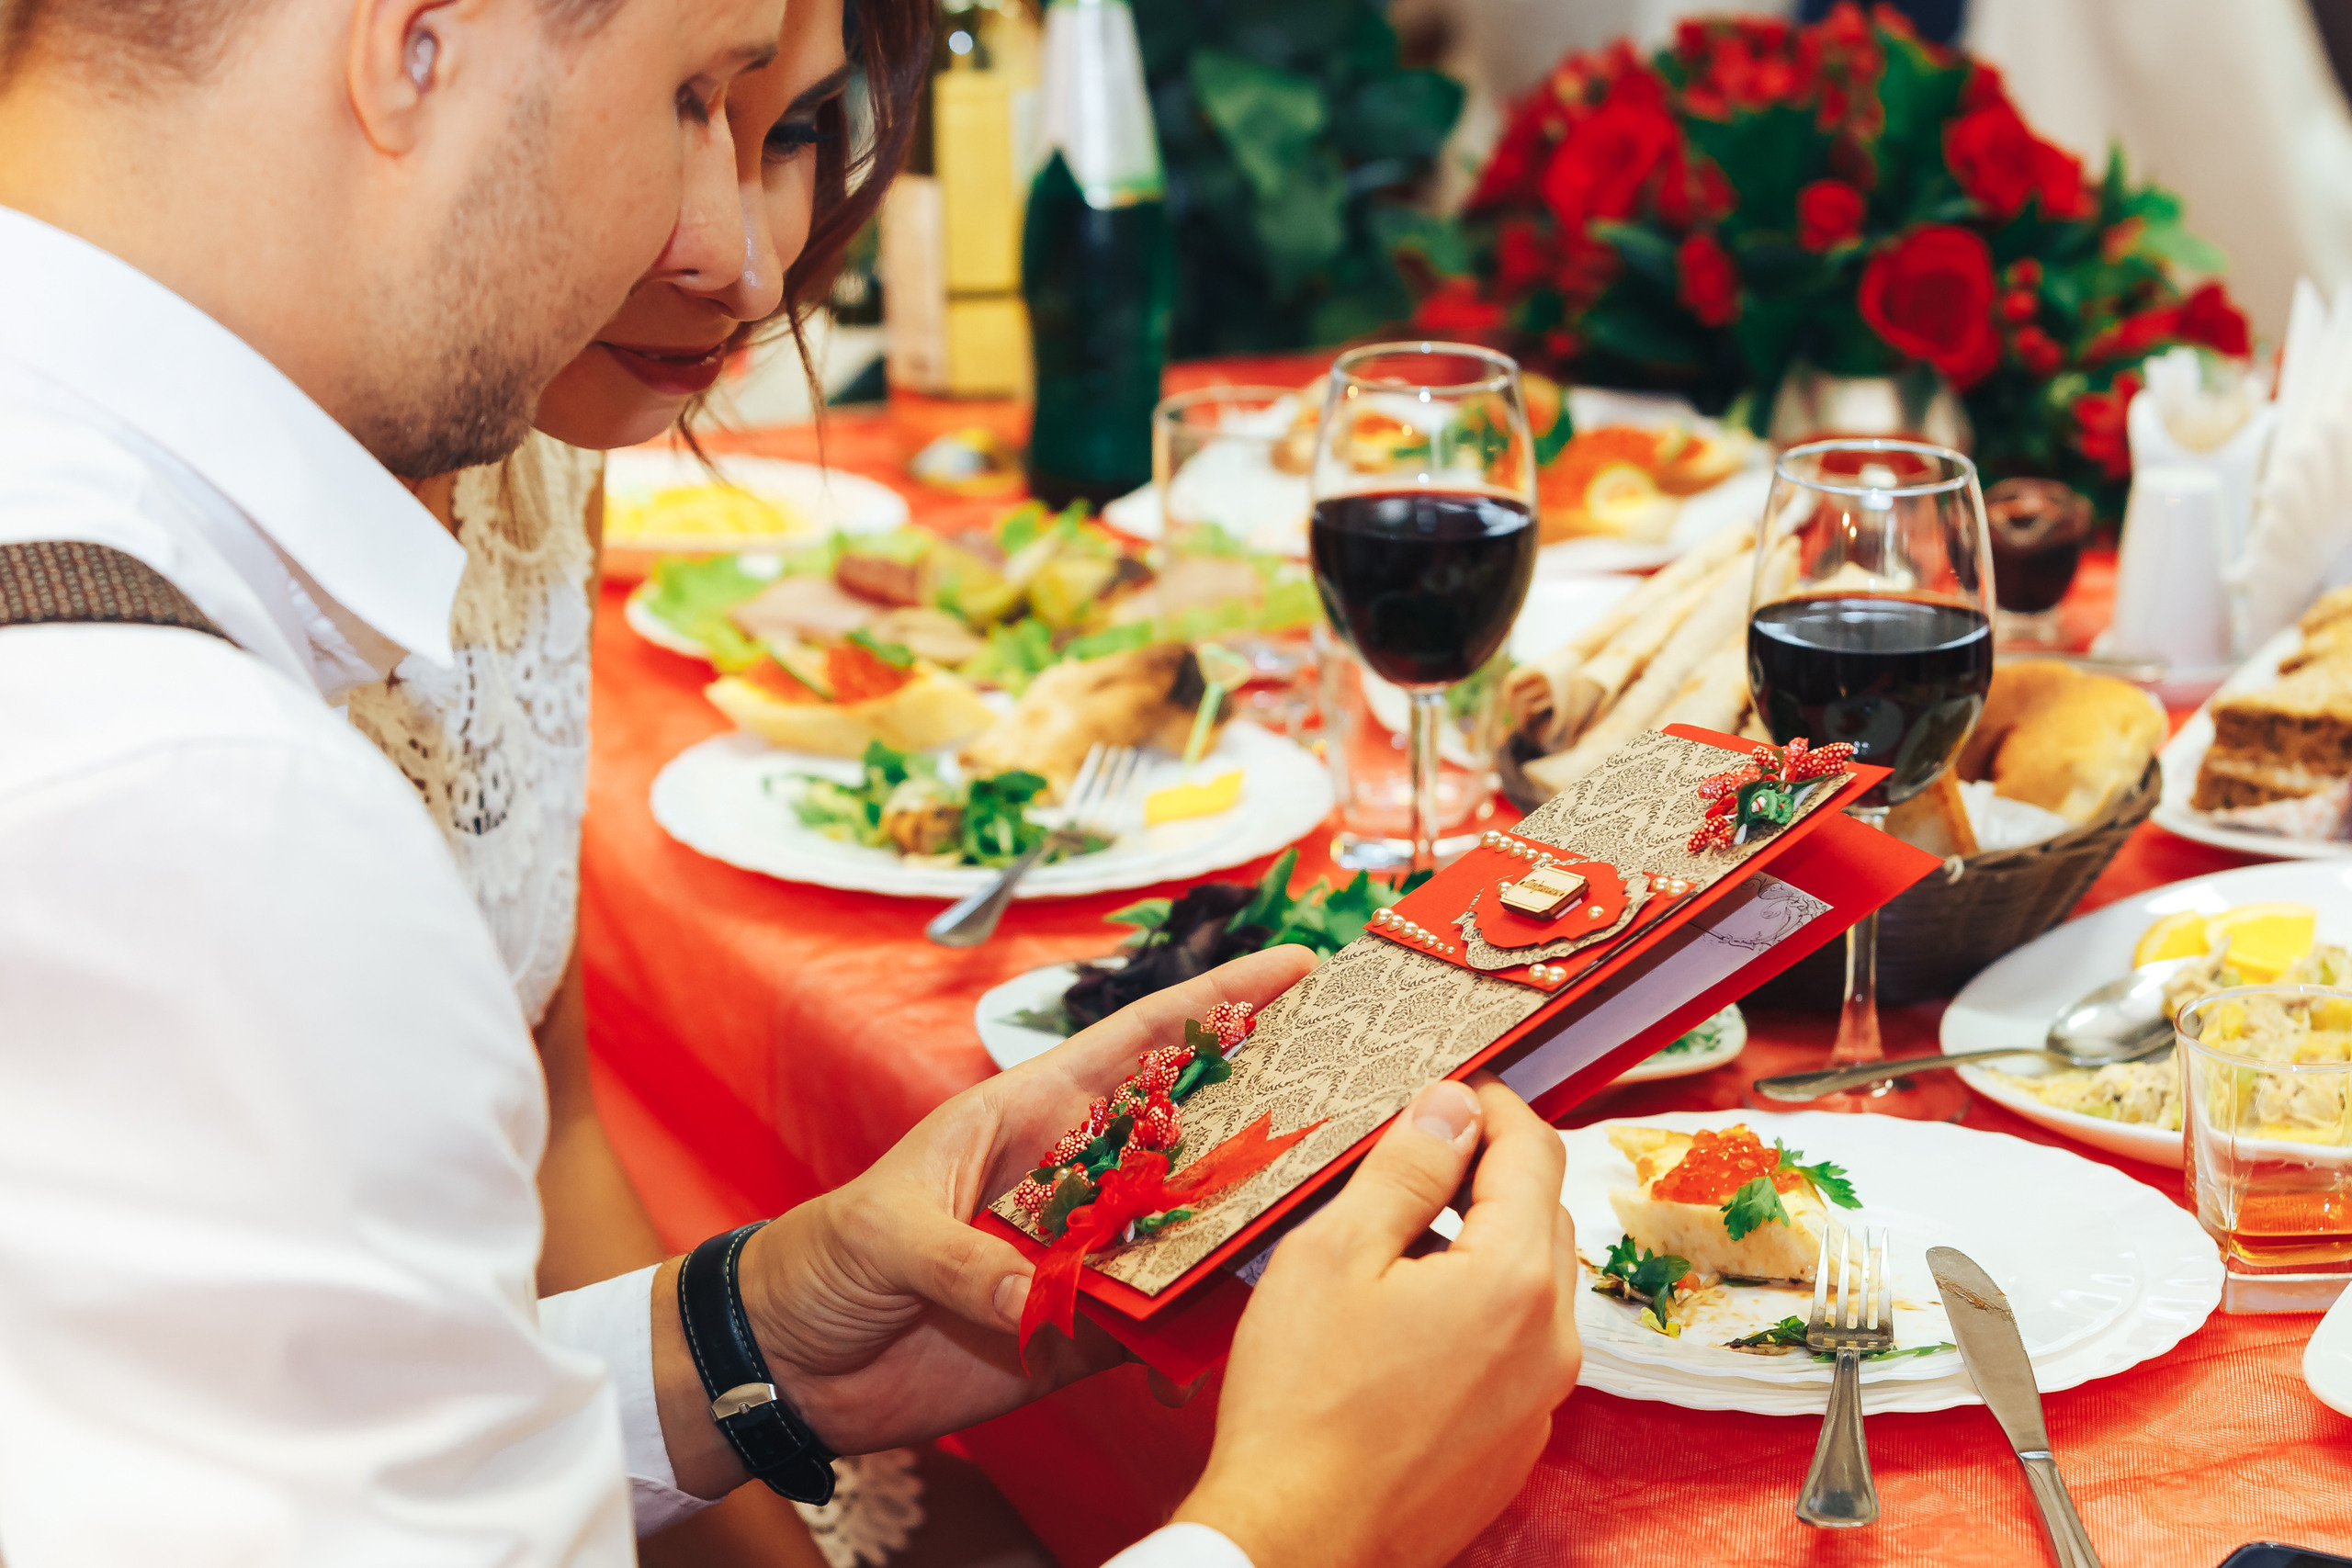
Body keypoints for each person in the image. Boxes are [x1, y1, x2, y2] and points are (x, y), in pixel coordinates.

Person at [0, 5, 1583, 1567]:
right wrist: (1311, 1513)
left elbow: (295, 1452)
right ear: (416, 45)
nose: (748, 262)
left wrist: (755, 1336)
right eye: (692, 97)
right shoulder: (195, 815)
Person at [335, 0, 927, 1556]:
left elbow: (552, 1137)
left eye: (790, 132)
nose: (743, 257)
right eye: (683, 107)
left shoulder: (536, 459)